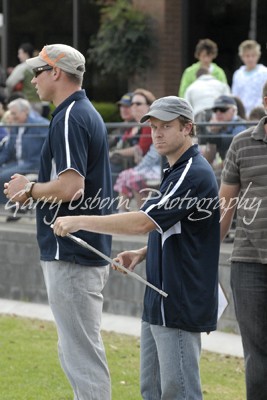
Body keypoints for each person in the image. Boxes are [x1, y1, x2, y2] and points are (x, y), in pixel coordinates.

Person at [51, 96, 220, 400]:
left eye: (166, 126)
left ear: (188, 128)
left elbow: (144, 222)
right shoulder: (174, 170)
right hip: (160, 298)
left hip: (178, 301)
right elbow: (172, 227)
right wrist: (142, 254)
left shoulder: (192, 172)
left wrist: (79, 220)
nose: (157, 133)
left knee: (178, 392)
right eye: (154, 126)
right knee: (151, 391)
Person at [4, 44, 112, 400]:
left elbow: (71, 187)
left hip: (72, 251)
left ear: (56, 73)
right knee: (76, 354)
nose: (33, 78)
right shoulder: (78, 113)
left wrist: (30, 188)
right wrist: (32, 187)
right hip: (75, 250)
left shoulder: (70, 116)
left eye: (38, 70)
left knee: (82, 358)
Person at [219, 81, 267, 400]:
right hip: (249, 265)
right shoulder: (241, 143)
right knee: (257, 356)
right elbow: (224, 208)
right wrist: (203, 254)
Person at [0, 98, 49, 205]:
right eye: (11, 113)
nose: (11, 117)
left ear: (25, 111)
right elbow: (7, 152)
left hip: (33, 164)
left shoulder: (41, 125)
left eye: (14, 113)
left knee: (3, 176)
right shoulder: (16, 125)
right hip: (17, 163)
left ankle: (13, 206)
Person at [200, 95, 247, 167]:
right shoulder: (218, 127)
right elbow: (208, 159)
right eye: (215, 110)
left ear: (234, 111)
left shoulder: (240, 126)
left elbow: (235, 158)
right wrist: (213, 133)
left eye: (223, 109)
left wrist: (216, 167)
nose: (218, 113)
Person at [114, 143, 162, 212]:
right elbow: (149, 159)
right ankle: (122, 212)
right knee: (124, 175)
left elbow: (151, 159)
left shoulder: (162, 141)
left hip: (159, 170)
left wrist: (138, 167)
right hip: (149, 169)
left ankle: (142, 211)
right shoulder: (156, 141)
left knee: (135, 178)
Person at [231, 40, 267, 118]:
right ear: (242, 56)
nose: (250, 59)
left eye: (253, 55)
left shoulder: (264, 72)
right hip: (242, 116)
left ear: (258, 55)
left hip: (260, 114)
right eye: (247, 56)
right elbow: (235, 96)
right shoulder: (238, 74)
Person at [5, 43, 44, 115]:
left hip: (26, 104)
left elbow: (9, 83)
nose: (18, 56)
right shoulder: (40, 66)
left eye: (20, 53)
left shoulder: (22, 67)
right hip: (39, 103)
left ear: (25, 53)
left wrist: (10, 96)